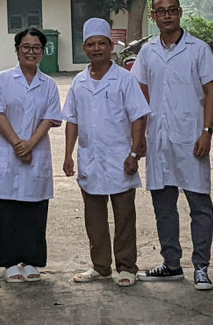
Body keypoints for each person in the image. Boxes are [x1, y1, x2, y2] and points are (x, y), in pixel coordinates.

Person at [132, 0, 213, 291]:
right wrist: (141, 137)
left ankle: (201, 267)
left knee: (199, 203)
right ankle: (171, 264)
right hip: (158, 139)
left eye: (172, 10)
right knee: (164, 206)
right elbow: (141, 95)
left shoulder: (198, 49)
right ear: (154, 16)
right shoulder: (147, 53)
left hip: (192, 137)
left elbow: (210, 93)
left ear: (180, 12)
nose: (167, 15)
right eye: (161, 11)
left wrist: (207, 131)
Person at [62, 17, 150, 288]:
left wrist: (135, 153)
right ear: (84, 48)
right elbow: (72, 121)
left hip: (120, 159)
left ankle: (127, 267)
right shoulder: (78, 82)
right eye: (91, 44)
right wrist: (68, 155)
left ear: (111, 47)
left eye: (102, 43)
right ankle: (100, 266)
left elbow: (138, 116)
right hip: (90, 159)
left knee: (124, 216)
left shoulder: (124, 79)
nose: (97, 48)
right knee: (94, 218)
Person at [0, 27, 63, 283]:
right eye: (25, 47)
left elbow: (50, 119)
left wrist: (30, 145)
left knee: (34, 210)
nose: (31, 52)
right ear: (17, 50)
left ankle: (32, 261)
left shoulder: (48, 84)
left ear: (42, 51)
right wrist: (18, 144)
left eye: (36, 48)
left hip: (36, 153)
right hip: (7, 151)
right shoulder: (2, 80)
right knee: (7, 210)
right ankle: (9, 262)